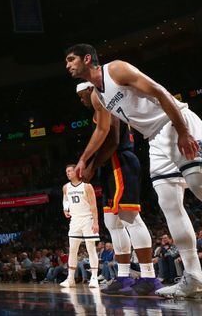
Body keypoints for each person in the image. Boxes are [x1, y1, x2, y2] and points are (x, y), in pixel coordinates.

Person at [65, 43, 202, 297]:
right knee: (169, 204)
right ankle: (194, 276)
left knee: (199, 187)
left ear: (87, 58)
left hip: (175, 123)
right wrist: (84, 160)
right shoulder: (98, 95)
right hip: (154, 140)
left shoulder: (116, 69)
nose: (68, 65)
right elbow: (102, 130)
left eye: (71, 59)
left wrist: (183, 131)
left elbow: (161, 93)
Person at [75, 81, 161, 296]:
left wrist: (91, 165)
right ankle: (123, 277)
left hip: (120, 163)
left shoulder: (105, 103)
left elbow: (112, 141)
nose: (81, 100)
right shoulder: (101, 108)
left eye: (82, 95)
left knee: (130, 218)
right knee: (112, 222)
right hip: (110, 166)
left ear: (89, 90)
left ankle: (149, 277)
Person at [61, 164, 100, 288]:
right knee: (72, 249)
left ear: (77, 172)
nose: (68, 173)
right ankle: (70, 278)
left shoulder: (87, 186)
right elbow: (65, 200)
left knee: (90, 248)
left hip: (87, 219)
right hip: (75, 220)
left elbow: (94, 206)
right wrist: (65, 209)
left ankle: (94, 278)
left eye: (70, 171)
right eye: (66, 171)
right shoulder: (65, 187)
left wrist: (96, 222)